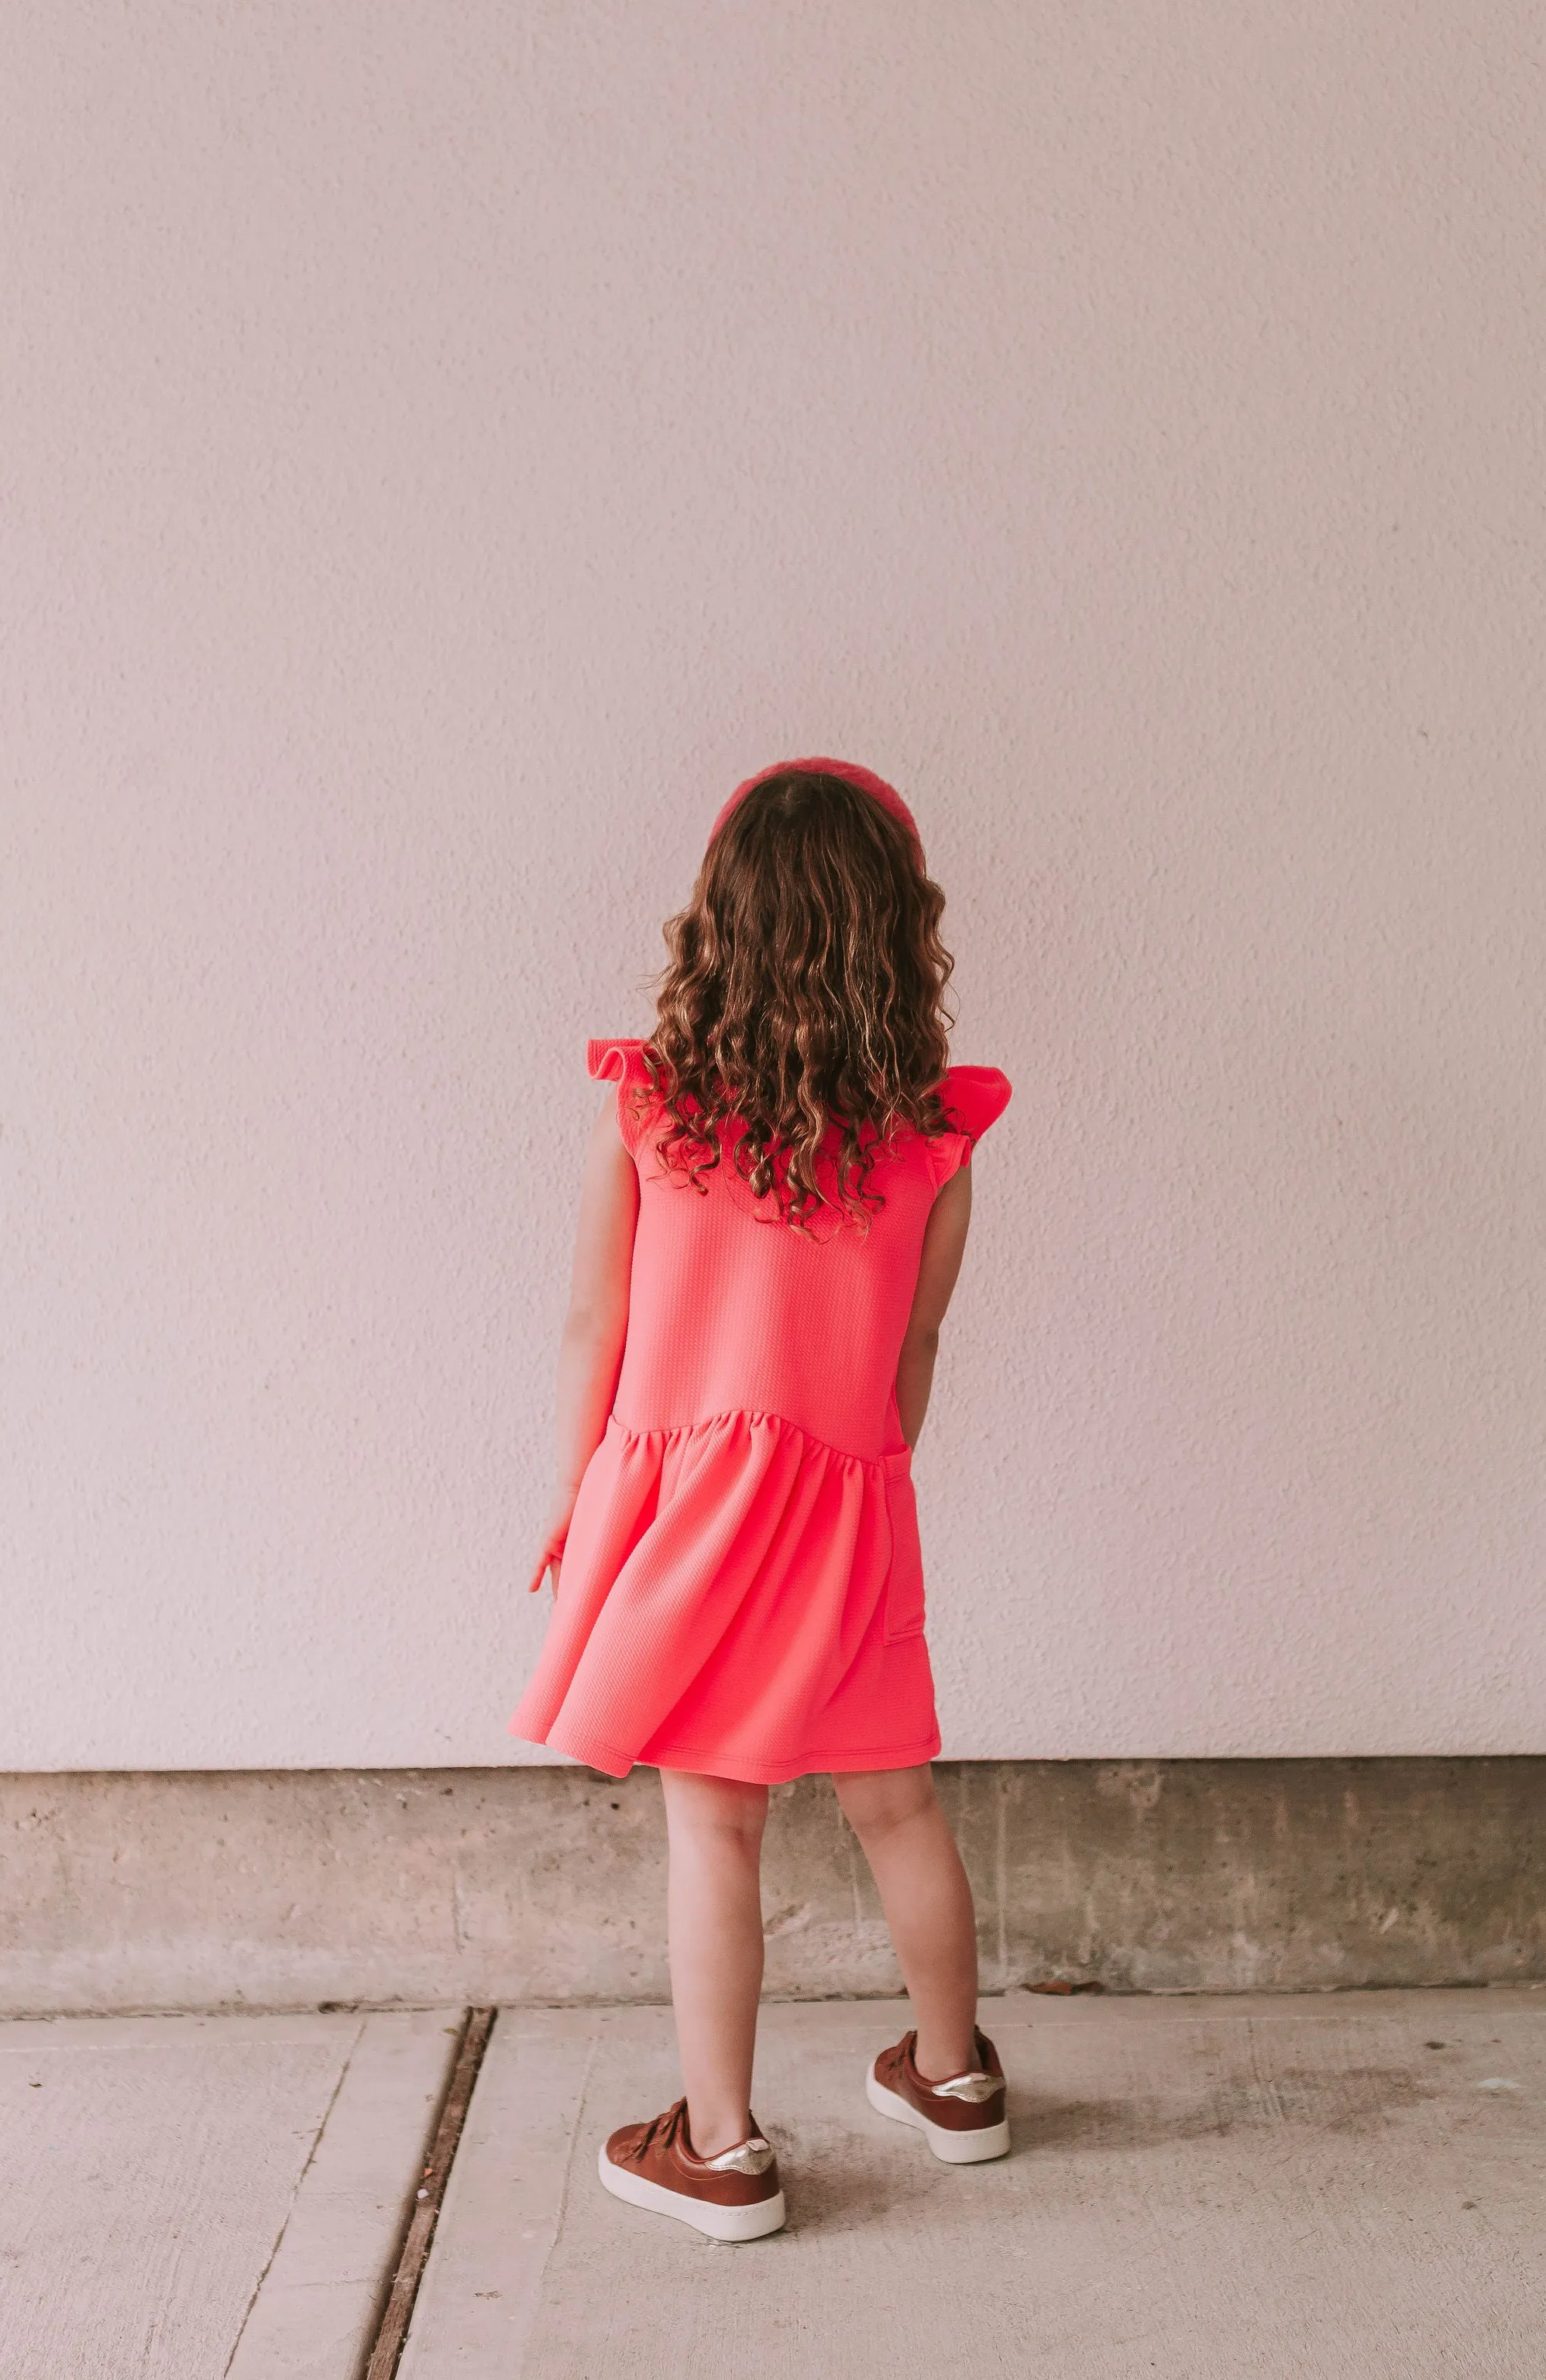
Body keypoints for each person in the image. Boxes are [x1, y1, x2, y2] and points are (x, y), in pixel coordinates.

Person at [509, 759, 1013, 2241]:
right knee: (900, 1804)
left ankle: (723, 2151)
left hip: (696, 1523)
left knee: (715, 1833)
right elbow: (913, 1356)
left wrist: (576, 1489)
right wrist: (863, 1469)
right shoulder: (934, 1143)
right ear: (893, 937)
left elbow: (592, 1328)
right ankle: (951, 2080)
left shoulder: (651, 1112)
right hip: (854, 1510)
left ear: (720, 924)